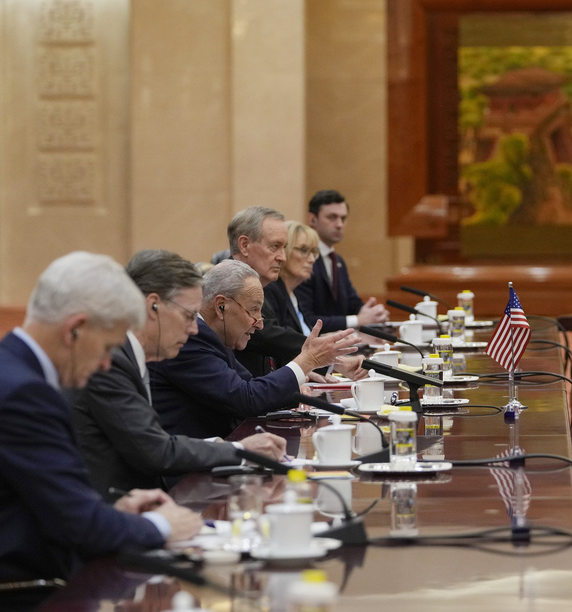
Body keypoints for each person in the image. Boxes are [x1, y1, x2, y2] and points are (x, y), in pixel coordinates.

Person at [0, 252, 201, 604]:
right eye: (108, 347)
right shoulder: (26, 394)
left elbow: (42, 501)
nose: (107, 363)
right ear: (74, 329)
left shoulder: (13, 369)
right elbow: (80, 528)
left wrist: (114, 513)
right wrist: (162, 525)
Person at [71, 250, 289, 498]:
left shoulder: (134, 356)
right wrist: (239, 450)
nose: (194, 328)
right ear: (153, 306)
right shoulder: (109, 363)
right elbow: (154, 450)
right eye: (188, 316)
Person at [149, 260, 361, 439]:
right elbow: (247, 399)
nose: (260, 323)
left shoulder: (214, 336)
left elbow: (249, 385)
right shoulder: (192, 337)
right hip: (193, 469)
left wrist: (294, 390)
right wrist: (306, 361)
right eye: (254, 310)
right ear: (221, 306)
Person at [225, 205, 365, 378]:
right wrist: (333, 360)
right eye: (274, 246)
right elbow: (265, 335)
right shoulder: (229, 284)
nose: (283, 257)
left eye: (284, 248)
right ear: (244, 245)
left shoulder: (259, 286)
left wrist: (302, 372)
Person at [296, 190, 389, 331]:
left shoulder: (338, 261)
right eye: (332, 217)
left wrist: (373, 313)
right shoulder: (302, 260)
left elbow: (352, 303)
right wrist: (358, 319)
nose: (339, 224)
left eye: (343, 218)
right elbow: (305, 319)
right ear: (312, 219)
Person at [266, 221, 322, 336]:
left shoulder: (293, 293)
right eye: (303, 250)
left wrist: (328, 338)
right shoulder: (271, 290)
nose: (312, 259)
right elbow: (279, 340)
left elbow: (303, 336)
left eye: (314, 252)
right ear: (285, 250)